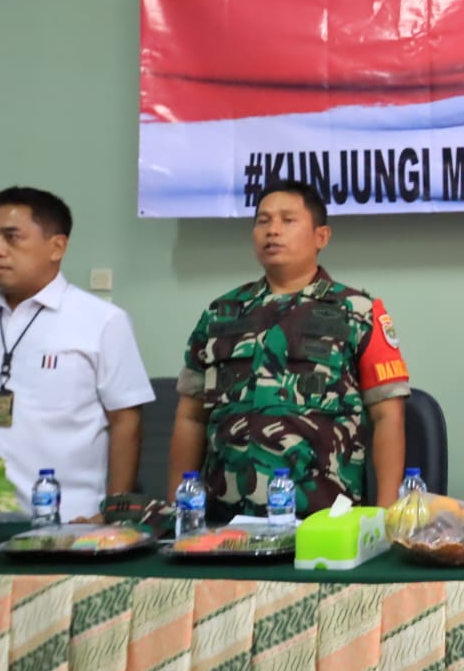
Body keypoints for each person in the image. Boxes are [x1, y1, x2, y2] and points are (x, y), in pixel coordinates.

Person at [170, 179, 411, 516]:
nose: (272, 230)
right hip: (224, 522)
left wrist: (385, 516)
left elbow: (388, 416)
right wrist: (178, 512)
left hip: (323, 519)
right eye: (263, 221)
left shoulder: (358, 312)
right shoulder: (221, 313)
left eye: (287, 220)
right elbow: (191, 417)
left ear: (321, 237)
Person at [0, 187, 154, 521]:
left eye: (12, 237)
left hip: (69, 522)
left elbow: (126, 422)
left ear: (57, 247)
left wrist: (112, 513)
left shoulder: (102, 321)